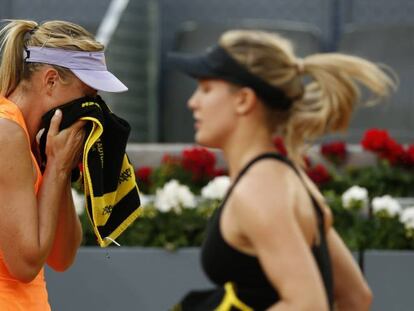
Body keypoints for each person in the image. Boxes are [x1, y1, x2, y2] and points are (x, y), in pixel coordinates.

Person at [169, 30, 395, 310]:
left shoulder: (258, 191)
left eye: (205, 89)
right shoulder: (285, 178)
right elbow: (356, 296)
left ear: (243, 100)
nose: (193, 102)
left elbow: (307, 305)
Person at [0, 19, 128, 310]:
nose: (93, 110)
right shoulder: (5, 132)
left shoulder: (34, 141)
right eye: (88, 96)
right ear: (51, 81)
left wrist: (58, 166)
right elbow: (25, 263)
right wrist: (56, 169)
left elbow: (62, 256)